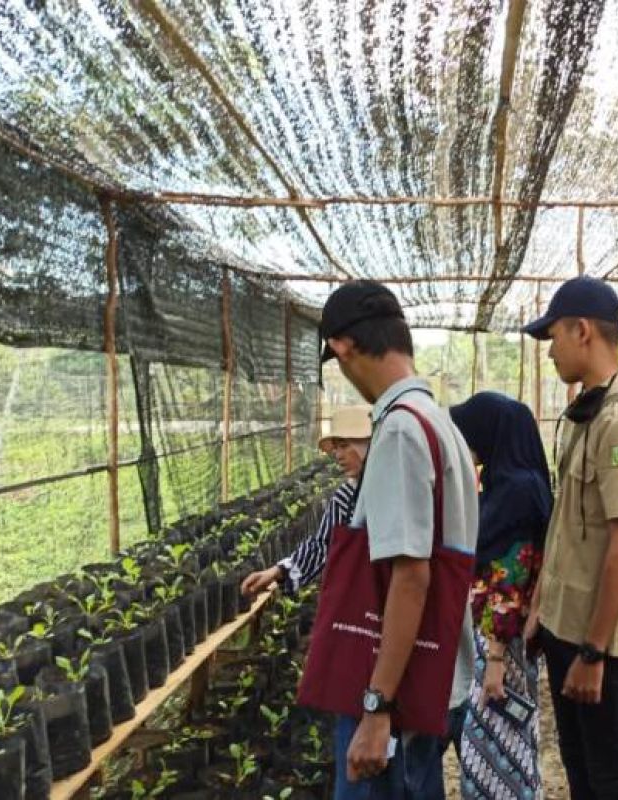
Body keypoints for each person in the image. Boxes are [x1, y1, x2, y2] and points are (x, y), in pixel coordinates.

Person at [302, 280, 479, 800]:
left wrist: (377, 709)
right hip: (435, 676)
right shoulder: (439, 422)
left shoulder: (401, 431)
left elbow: (411, 575)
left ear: (342, 347)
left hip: (396, 695)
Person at [521, 276, 618, 799]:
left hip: (594, 639)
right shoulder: (585, 416)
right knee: (581, 768)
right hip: (565, 624)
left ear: (582, 331)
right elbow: (565, 525)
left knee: (610, 778)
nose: (550, 351)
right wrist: (541, 605)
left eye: (553, 336)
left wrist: (595, 653)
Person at [449, 392, 552, 800]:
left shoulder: (516, 490)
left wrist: (494, 660)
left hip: (502, 642)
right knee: (505, 748)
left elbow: (509, 579)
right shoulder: (509, 482)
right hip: (499, 638)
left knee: (494, 750)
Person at [240, 405, 372, 597]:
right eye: (336, 448)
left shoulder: (396, 492)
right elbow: (322, 545)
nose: (338, 455)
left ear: (367, 445)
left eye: (345, 446)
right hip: (363, 600)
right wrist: (277, 571)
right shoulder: (345, 498)